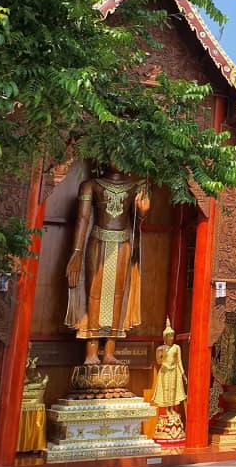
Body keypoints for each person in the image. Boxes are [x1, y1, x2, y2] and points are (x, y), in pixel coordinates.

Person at [65, 164, 150, 365]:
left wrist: (143, 213)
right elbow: (83, 219)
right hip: (98, 241)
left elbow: (137, 223)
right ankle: (91, 352)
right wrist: (76, 253)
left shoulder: (134, 187)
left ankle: (110, 351)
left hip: (123, 245)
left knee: (118, 295)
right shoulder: (91, 185)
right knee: (94, 293)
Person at [153, 319, 187, 409]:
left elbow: (179, 361)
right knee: (166, 389)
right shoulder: (161, 348)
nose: (171, 338)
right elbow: (158, 361)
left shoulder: (176, 347)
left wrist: (183, 374)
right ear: (165, 337)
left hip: (174, 371)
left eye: (172, 336)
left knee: (173, 389)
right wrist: (161, 355)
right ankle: (167, 409)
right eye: (169, 336)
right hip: (165, 371)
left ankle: (171, 409)